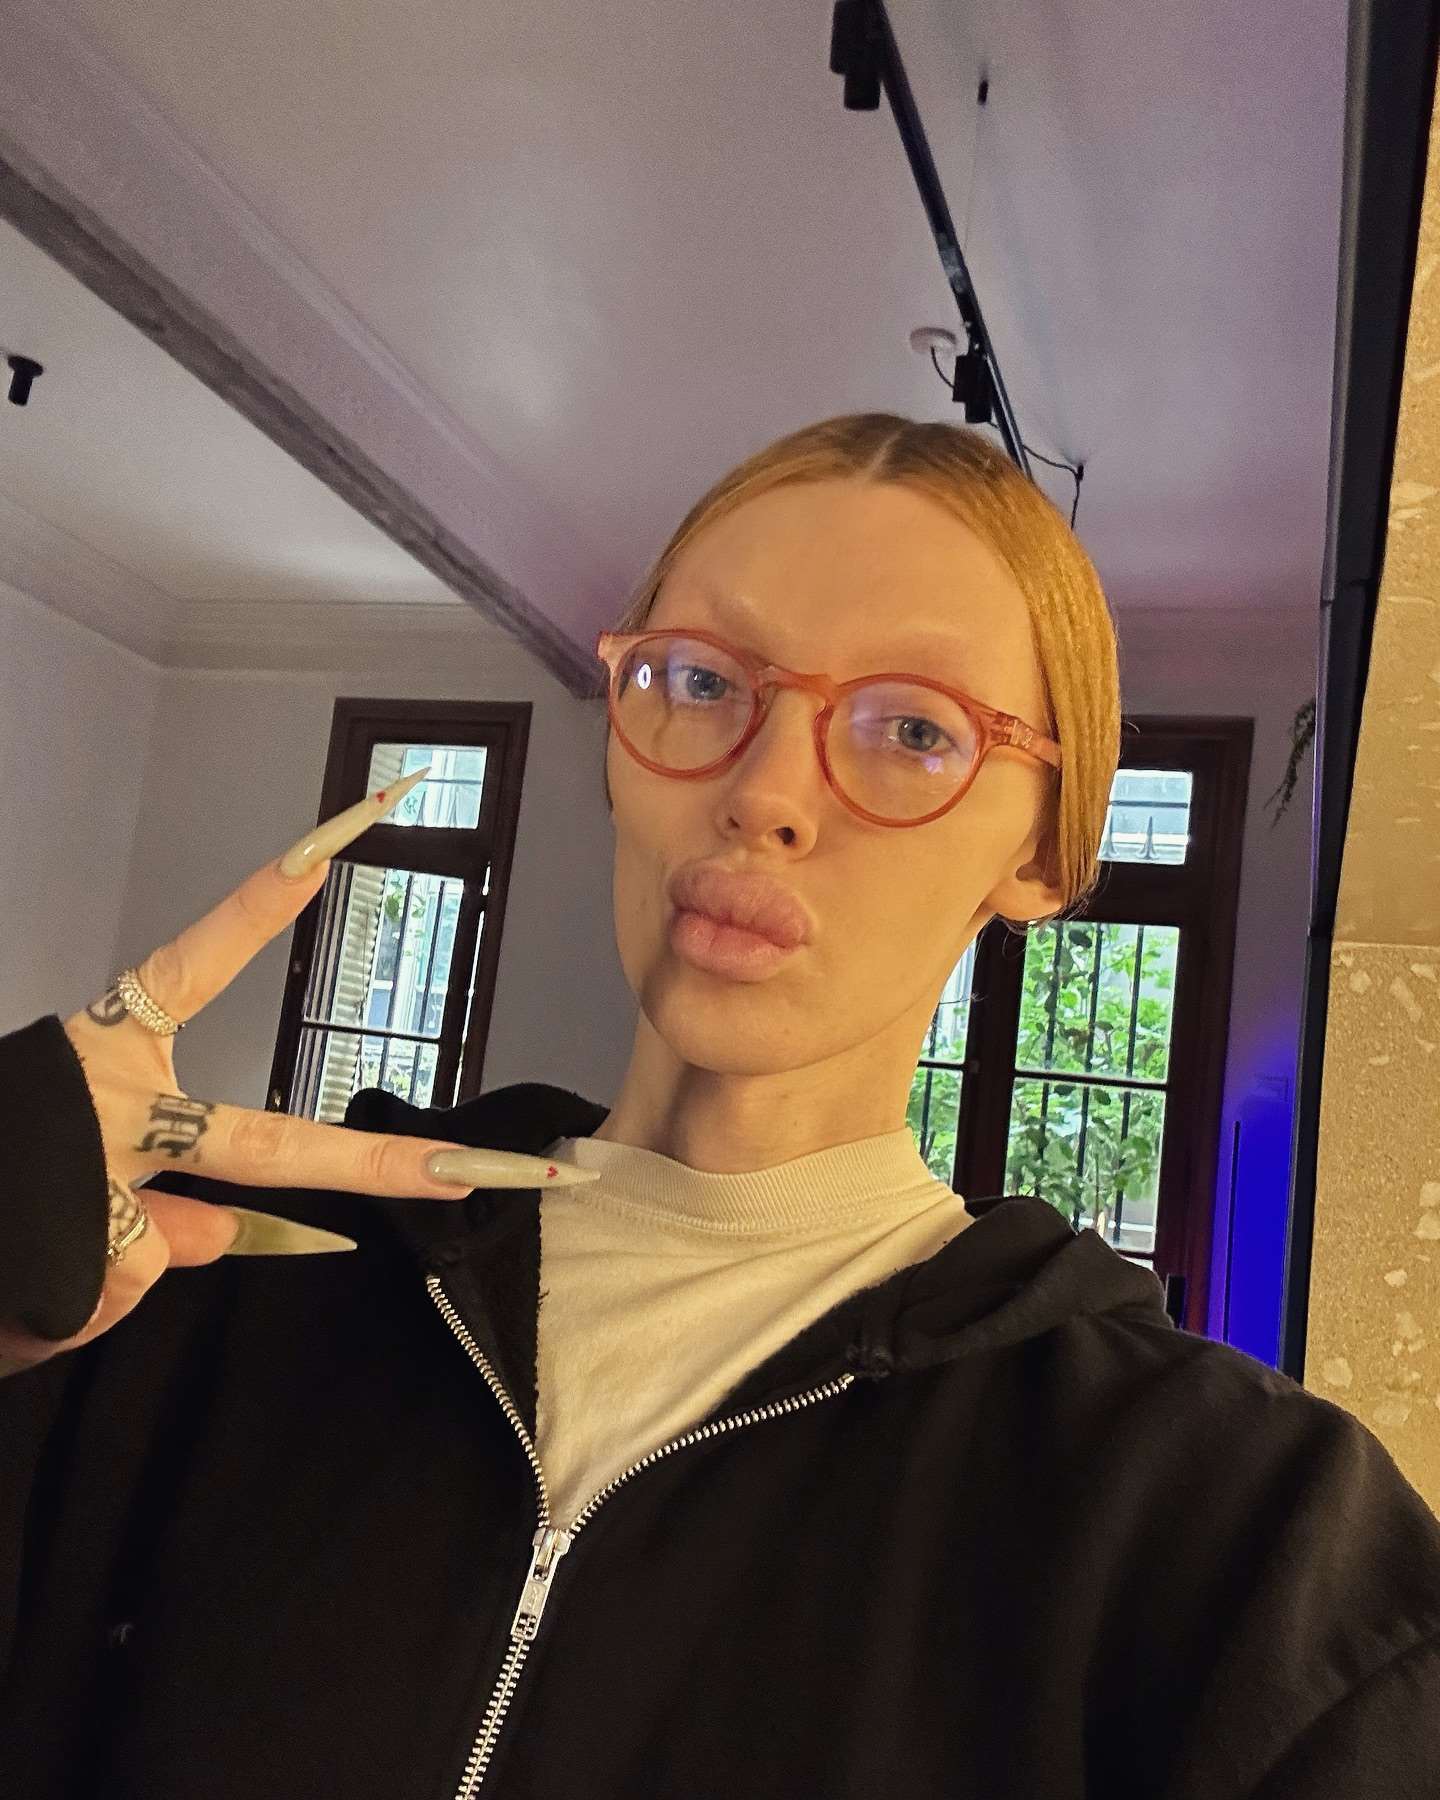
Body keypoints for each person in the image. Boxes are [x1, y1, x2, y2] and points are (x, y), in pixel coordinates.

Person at [1, 413, 1437, 1799]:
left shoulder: (1230, 1531)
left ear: (1045, 856)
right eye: (699, 682)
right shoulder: (203, 1274)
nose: (763, 793)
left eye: (914, 730)